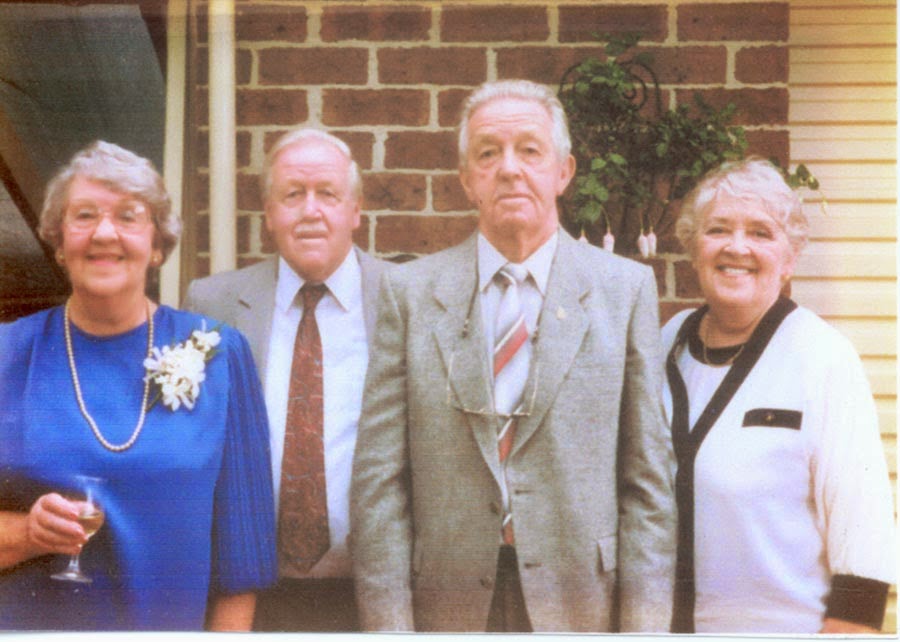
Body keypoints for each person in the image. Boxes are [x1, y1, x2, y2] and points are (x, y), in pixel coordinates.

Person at [349, 79, 676, 633]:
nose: (508, 169)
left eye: (529, 150)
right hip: (446, 606)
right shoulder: (410, 294)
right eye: (488, 153)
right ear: (466, 180)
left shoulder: (624, 291)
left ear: (563, 172)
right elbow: (379, 484)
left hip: (580, 604)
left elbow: (648, 486)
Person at [0, 141, 276, 631]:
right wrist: (27, 533)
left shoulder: (220, 355)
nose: (104, 233)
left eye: (128, 216)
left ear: (157, 246)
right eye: (84, 215)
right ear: (59, 243)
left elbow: (242, 565)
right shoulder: (7, 353)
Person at [662, 157, 896, 633]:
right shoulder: (665, 343)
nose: (737, 247)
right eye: (718, 229)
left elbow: (863, 529)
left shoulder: (823, 358)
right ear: (693, 247)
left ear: (790, 259)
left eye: (761, 233)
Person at [183, 127, 388, 631]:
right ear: (269, 213)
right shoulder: (214, 303)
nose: (310, 210)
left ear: (355, 210)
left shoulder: (404, 296)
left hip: (374, 594)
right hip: (250, 596)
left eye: (328, 194)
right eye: (293, 195)